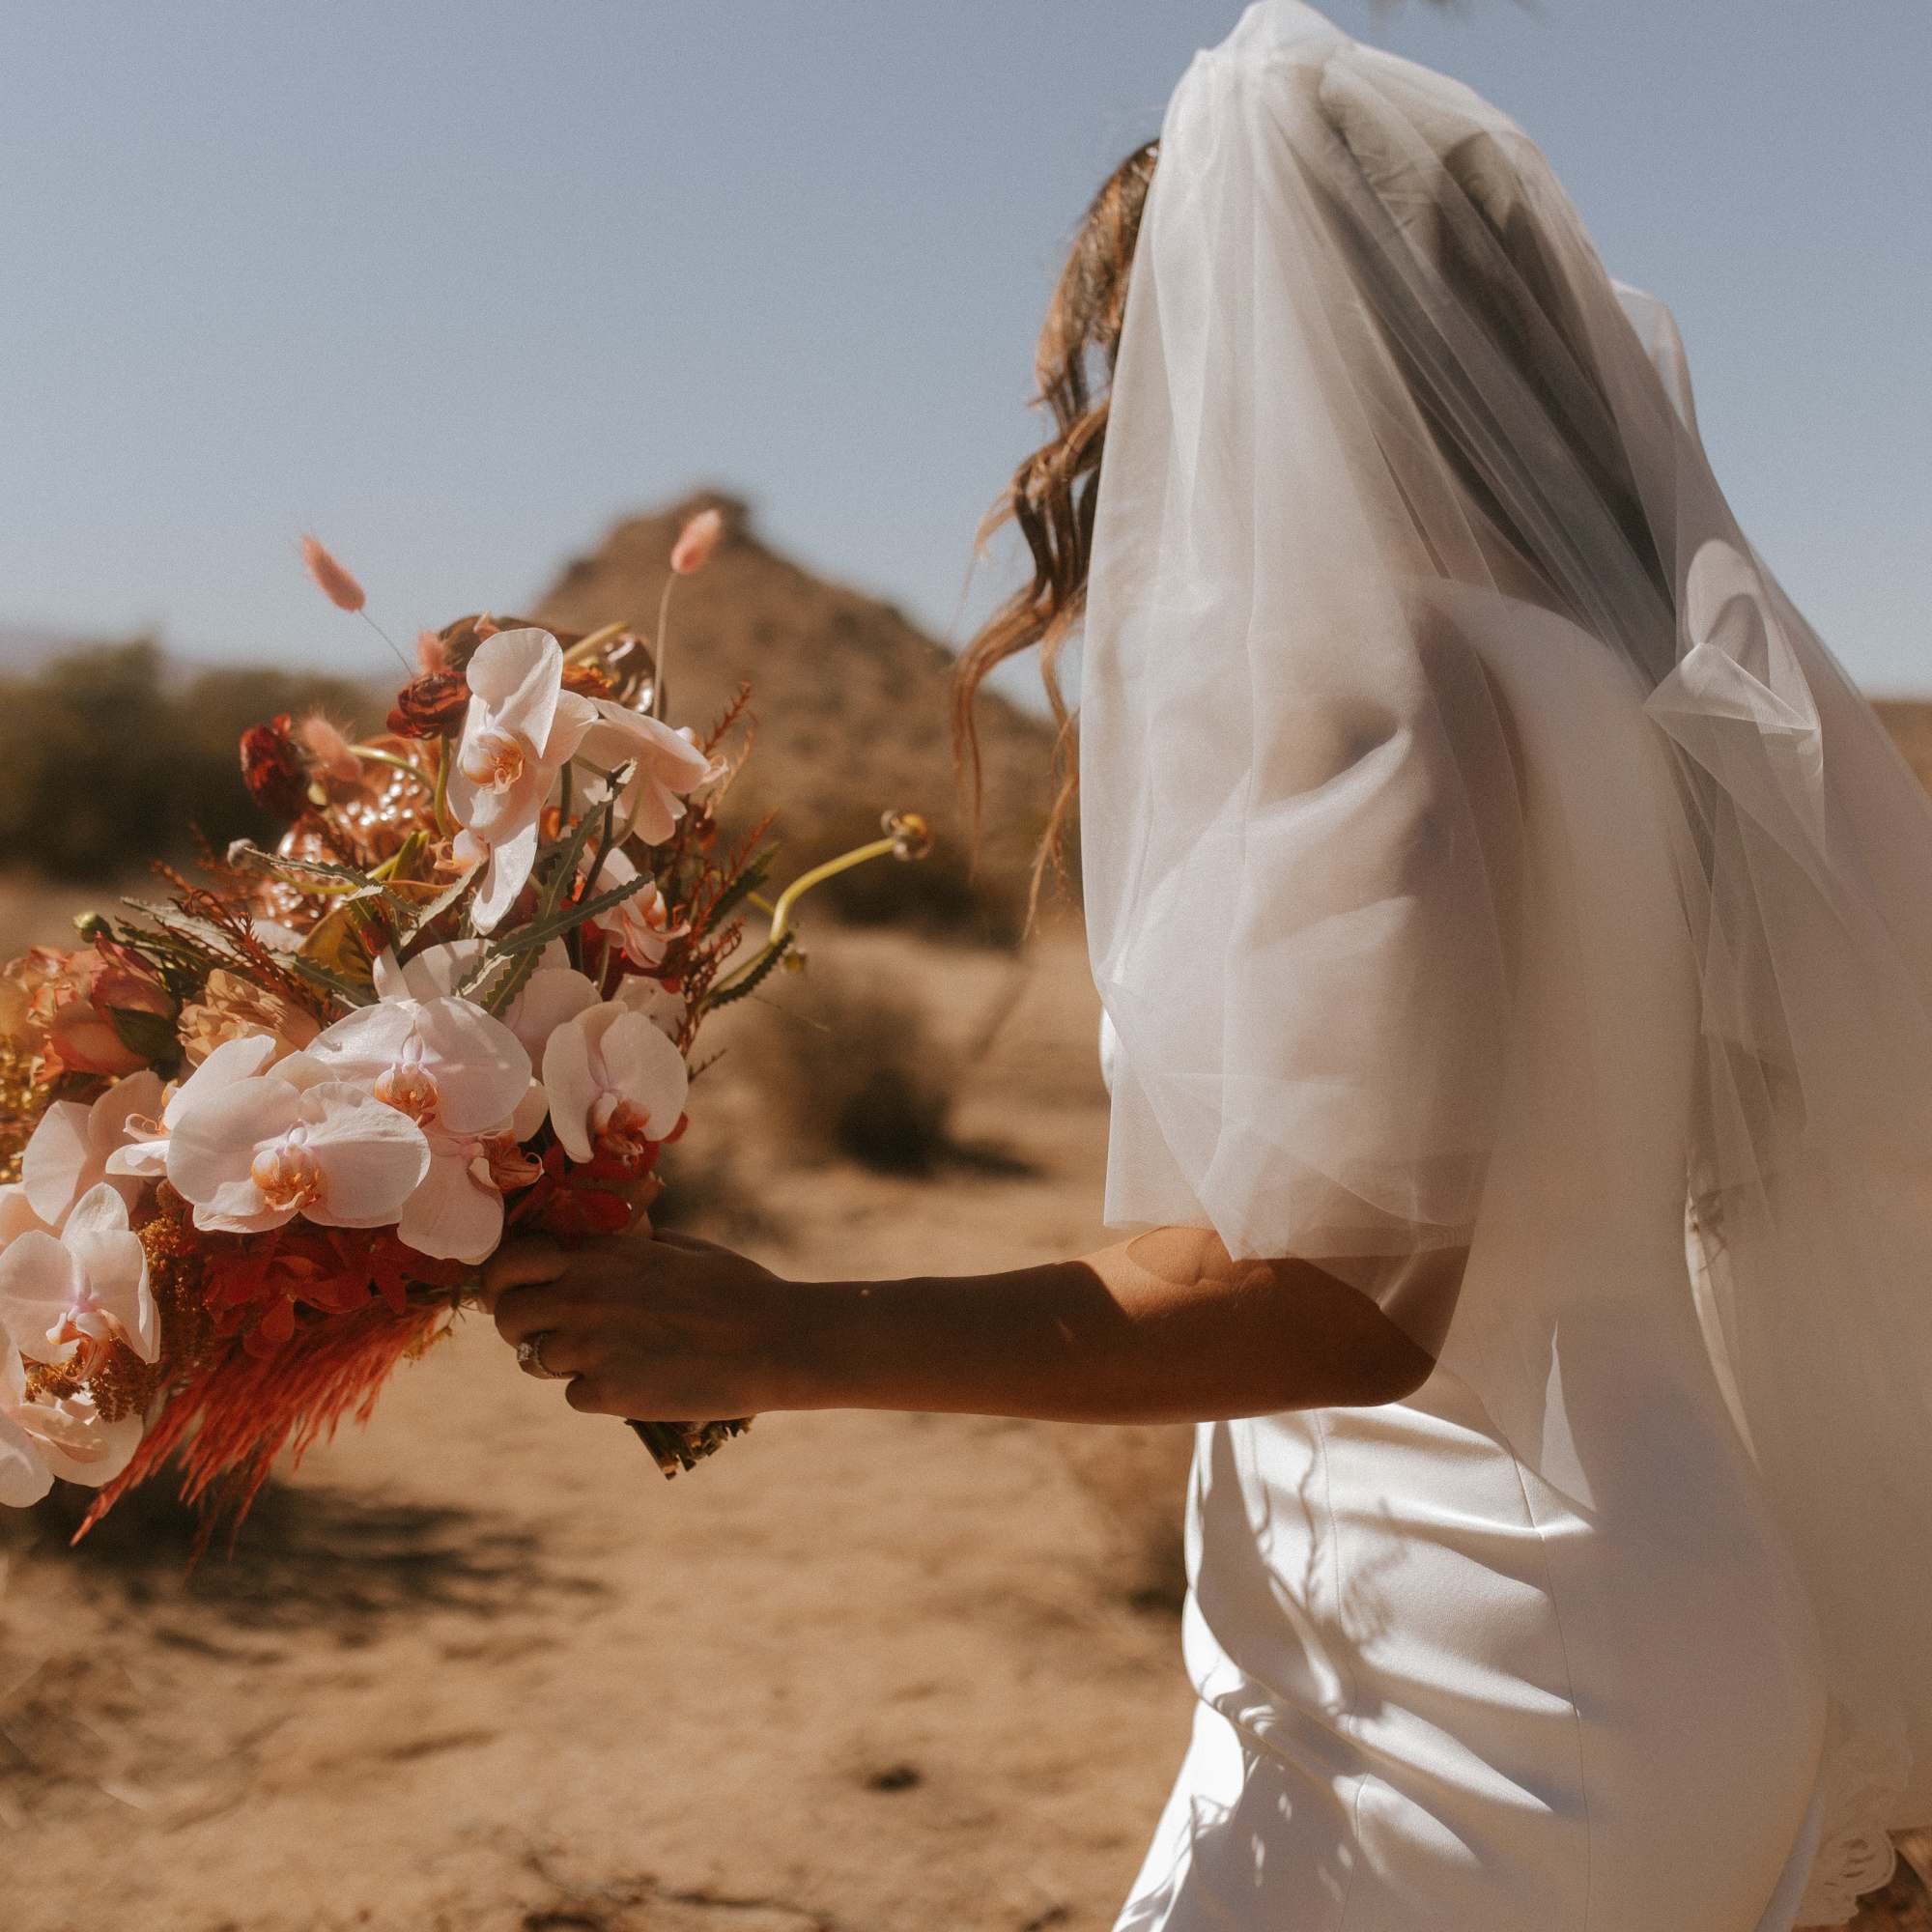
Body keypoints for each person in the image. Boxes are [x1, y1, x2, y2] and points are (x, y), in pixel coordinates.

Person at [482, 6, 1932, 1925]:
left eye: (1142, 341)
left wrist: (785, 1333)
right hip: (1634, 1606)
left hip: (1475, 1677)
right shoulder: (1625, 697)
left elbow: (1345, 1298)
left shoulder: (1372, 683)